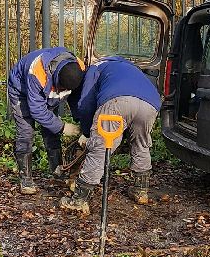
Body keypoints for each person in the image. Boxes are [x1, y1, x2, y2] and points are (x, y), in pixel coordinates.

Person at [60, 56, 160, 213]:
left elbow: (86, 104)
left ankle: (79, 200)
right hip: (150, 104)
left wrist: (86, 132)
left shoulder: (94, 68)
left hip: (116, 102)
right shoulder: (132, 67)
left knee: (99, 150)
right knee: (141, 144)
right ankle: (141, 191)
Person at [6, 47, 85, 194]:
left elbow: (78, 98)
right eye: (62, 89)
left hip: (48, 90)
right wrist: (62, 127)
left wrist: (82, 123)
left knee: (50, 130)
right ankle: (26, 180)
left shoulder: (78, 69)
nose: (63, 92)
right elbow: (37, 110)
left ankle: (58, 172)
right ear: (56, 78)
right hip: (21, 90)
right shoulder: (38, 72)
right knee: (26, 132)